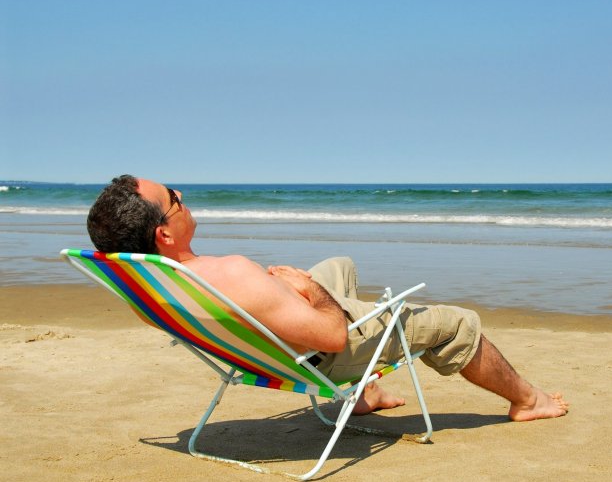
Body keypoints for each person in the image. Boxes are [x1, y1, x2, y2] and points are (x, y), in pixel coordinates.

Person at [87, 175, 569, 421]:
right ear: (164, 234)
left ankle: (366, 395)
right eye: (173, 198)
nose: (181, 194)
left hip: (278, 340)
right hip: (324, 354)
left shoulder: (148, 289)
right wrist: (309, 290)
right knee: (457, 322)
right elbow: (334, 335)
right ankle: (528, 401)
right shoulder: (231, 273)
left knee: (340, 265)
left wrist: (292, 288)